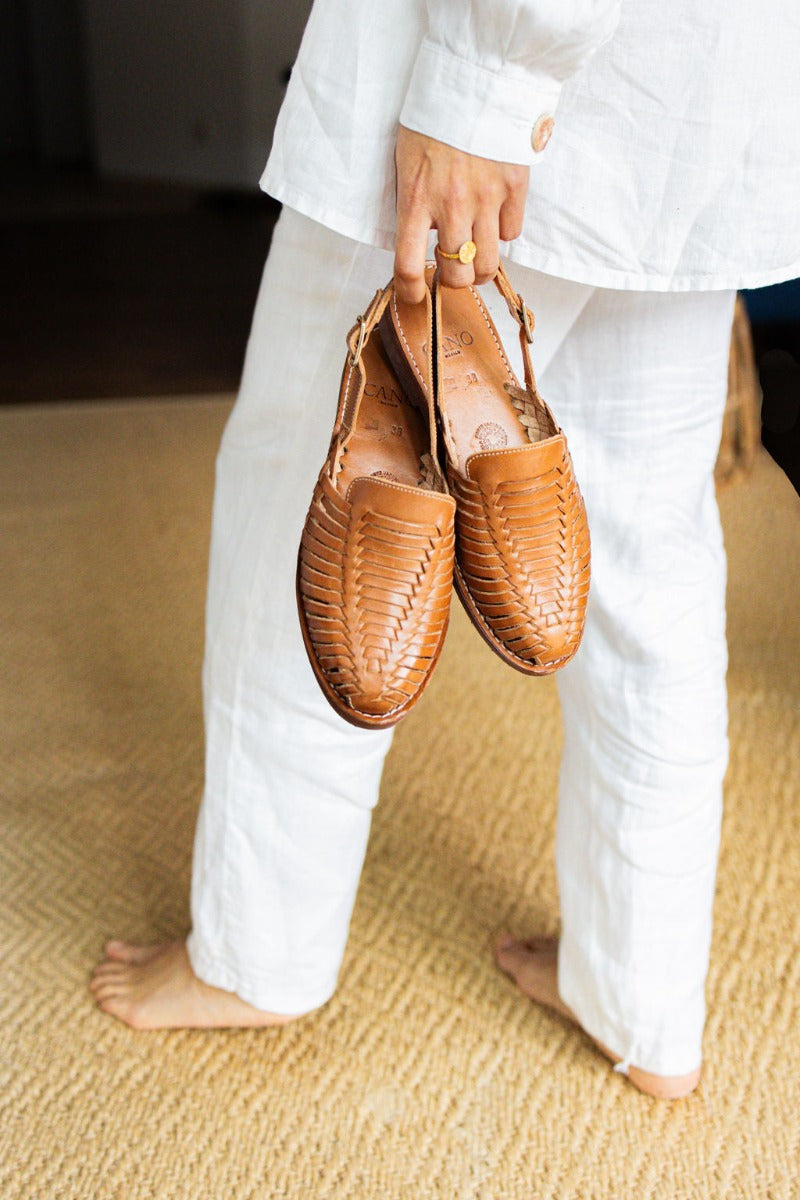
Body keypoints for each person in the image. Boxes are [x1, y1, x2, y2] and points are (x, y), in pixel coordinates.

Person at [88, 0, 800, 1100]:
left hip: (499, 89)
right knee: (643, 555)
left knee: (324, 500)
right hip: (698, 92)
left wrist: (488, 77)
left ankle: (257, 952)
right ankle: (640, 993)